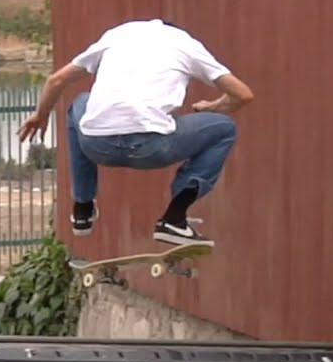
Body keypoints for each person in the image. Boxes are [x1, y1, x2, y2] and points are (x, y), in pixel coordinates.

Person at [18, 19, 254, 247]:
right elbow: (243, 95)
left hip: (96, 145)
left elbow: (57, 80)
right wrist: (212, 107)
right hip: (151, 148)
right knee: (224, 128)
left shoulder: (117, 35)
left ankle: (82, 207)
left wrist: (41, 115)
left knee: (79, 104)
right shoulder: (186, 44)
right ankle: (174, 218)